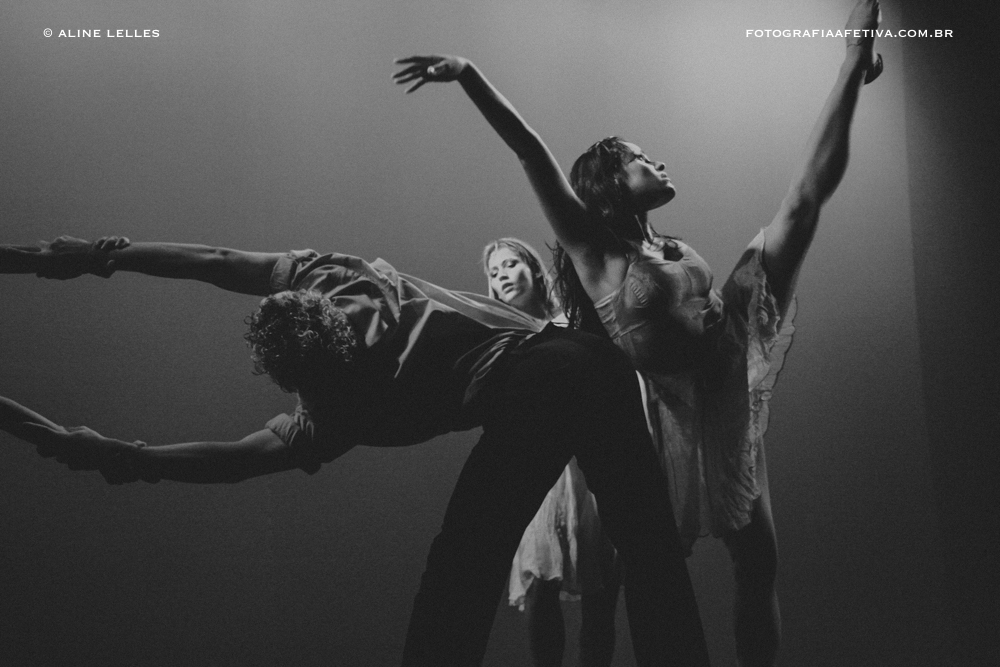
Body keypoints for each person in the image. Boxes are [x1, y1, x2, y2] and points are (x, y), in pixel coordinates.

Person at [393, 1, 882, 664]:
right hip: (656, 408)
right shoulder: (595, 250)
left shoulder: (675, 248)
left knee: (759, 560)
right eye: (641, 158)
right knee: (644, 579)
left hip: (722, 378)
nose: (658, 162)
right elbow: (528, 150)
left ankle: (852, 64)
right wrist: (469, 74)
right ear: (608, 182)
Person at [0, 235, 709, 666]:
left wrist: (124, 455)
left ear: (296, 375)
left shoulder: (332, 413)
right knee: (648, 550)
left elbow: (229, 459)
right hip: (585, 360)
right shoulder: (334, 277)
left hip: (533, 385)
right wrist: (100, 256)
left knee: (459, 569)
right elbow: (214, 261)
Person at [484, 237, 620, 667]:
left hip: (592, 463)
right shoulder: (500, 337)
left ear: (533, 268)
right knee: (545, 584)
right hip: (539, 467)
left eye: (508, 264)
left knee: (603, 594)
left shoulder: (576, 320)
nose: (501, 275)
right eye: (493, 272)